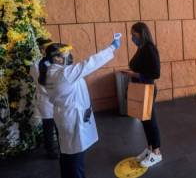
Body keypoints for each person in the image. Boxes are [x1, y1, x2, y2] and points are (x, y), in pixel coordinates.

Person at [39, 37, 121, 178]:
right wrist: (112, 48)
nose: (70, 55)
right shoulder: (64, 74)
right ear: (57, 59)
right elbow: (90, 64)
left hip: (64, 117)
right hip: (73, 119)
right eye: (66, 53)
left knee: (66, 155)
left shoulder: (51, 73)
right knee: (76, 161)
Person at [126, 22, 162, 167]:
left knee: (151, 121)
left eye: (134, 35)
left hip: (147, 88)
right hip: (140, 87)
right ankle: (149, 149)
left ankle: (157, 152)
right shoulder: (141, 48)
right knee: (144, 120)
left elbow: (156, 73)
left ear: (142, 34)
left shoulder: (149, 48)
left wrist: (136, 74)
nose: (132, 38)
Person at [30, 38, 59, 159]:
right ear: (41, 50)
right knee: (48, 126)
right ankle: (50, 151)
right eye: (46, 48)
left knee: (59, 124)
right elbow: (44, 84)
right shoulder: (36, 65)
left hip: (56, 99)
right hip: (46, 100)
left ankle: (62, 146)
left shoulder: (53, 62)